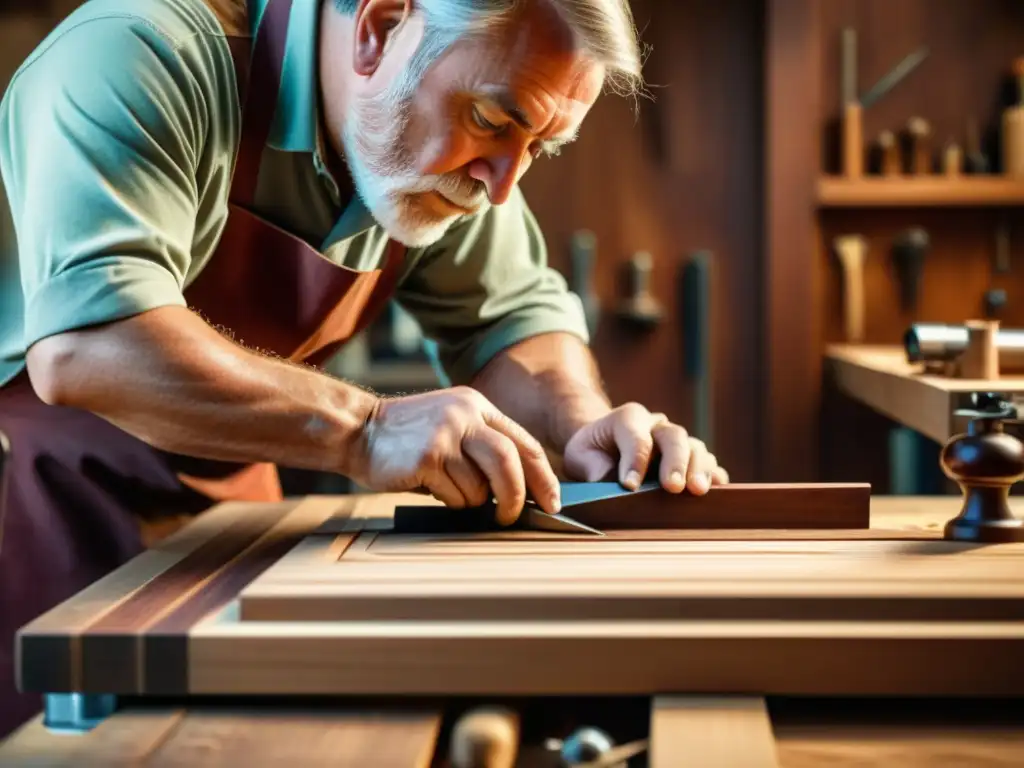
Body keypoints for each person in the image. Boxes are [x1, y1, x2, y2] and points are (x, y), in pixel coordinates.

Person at [0, 0, 729, 735]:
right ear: (379, 28)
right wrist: (368, 429)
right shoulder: (141, 55)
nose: (504, 185)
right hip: (31, 508)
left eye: (542, 145)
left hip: (224, 515)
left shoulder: (439, 147)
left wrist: (585, 426)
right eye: (494, 120)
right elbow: (88, 346)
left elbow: (512, 322)